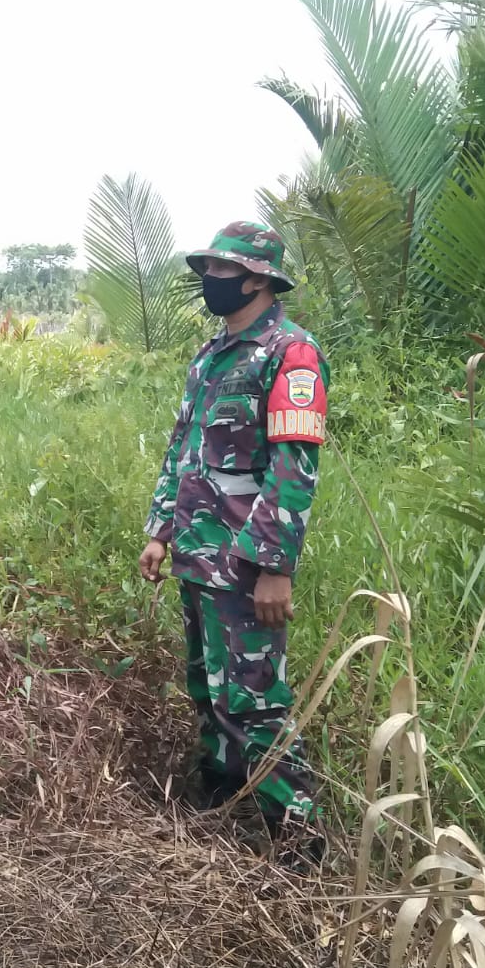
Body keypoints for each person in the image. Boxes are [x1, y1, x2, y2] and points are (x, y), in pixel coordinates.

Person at [138, 221, 329, 866]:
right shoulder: (211, 354)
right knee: (207, 685)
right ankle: (220, 802)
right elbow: (184, 448)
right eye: (209, 270)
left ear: (257, 280)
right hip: (197, 551)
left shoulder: (290, 354)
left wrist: (275, 566)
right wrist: (161, 530)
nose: (208, 281)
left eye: (220, 271)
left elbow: (293, 468)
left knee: (255, 701)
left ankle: (299, 842)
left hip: (246, 565)